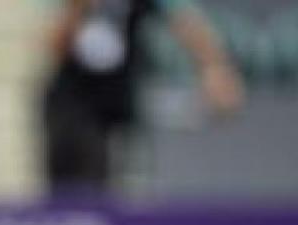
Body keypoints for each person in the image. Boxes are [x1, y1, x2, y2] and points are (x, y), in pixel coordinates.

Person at [41, 0, 243, 193]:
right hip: (72, 103)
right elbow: (54, 46)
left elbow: (186, 21)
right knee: (73, 184)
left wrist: (214, 67)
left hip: (118, 101)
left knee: (120, 181)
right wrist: (77, 9)